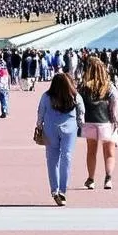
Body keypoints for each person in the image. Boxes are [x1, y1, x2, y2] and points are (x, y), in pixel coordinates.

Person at [36, 72, 85, 205]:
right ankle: (63, 190)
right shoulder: (75, 95)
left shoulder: (46, 96)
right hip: (69, 130)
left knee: (52, 160)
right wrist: (81, 125)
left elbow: (40, 111)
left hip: (50, 129)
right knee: (67, 157)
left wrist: (39, 126)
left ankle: (54, 190)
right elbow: (81, 111)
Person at [78, 55, 118, 191]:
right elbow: (115, 105)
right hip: (105, 122)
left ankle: (91, 179)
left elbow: (79, 105)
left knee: (91, 151)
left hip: (90, 121)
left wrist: (79, 122)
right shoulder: (109, 87)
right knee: (109, 151)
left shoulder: (83, 86)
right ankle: (108, 178)